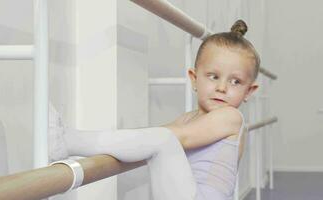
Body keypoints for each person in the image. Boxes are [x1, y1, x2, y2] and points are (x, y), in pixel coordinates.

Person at [48, 19, 259, 200]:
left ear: (249, 91)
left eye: (236, 82)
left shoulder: (231, 117)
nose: (222, 88)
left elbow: (170, 139)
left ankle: (69, 140)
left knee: (164, 139)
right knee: (160, 138)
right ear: (194, 78)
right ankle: (68, 139)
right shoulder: (188, 120)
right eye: (213, 76)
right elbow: (148, 139)